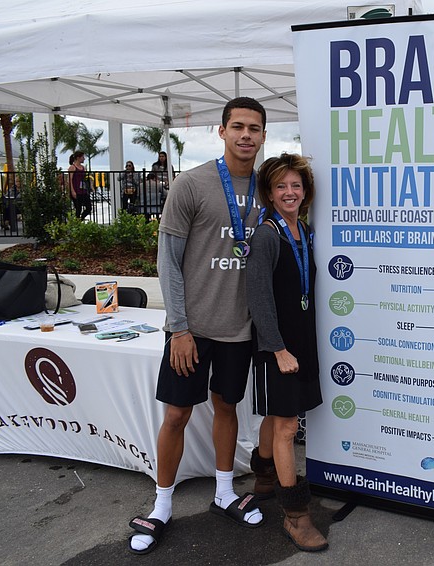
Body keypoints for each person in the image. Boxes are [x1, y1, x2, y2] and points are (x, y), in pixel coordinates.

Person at [127, 97, 268, 555]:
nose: (246, 135)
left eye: (255, 128)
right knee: (177, 415)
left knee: (227, 407)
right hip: (191, 328)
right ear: (221, 131)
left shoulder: (268, 189)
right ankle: (162, 504)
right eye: (238, 127)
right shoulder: (191, 184)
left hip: (238, 328)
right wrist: (180, 328)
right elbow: (167, 262)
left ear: (264, 136)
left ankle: (223, 492)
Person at [245, 153, 327, 552]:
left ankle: (262, 475)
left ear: (305, 191)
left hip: (302, 341)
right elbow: (259, 299)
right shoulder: (267, 236)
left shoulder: (303, 231)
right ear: (270, 193)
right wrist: (278, 349)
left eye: (295, 185)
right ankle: (296, 516)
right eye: (281, 187)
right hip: (278, 346)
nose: (289, 192)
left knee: (278, 418)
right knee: (287, 427)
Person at [68, 151, 90, 220]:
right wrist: (72, 191)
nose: (84, 159)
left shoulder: (83, 168)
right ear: (78, 158)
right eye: (82, 157)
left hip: (83, 190)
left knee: (89, 207)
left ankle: (81, 219)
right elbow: (70, 179)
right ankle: (77, 223)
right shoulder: (73, 167)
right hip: (76, 190)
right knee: (78, 208)